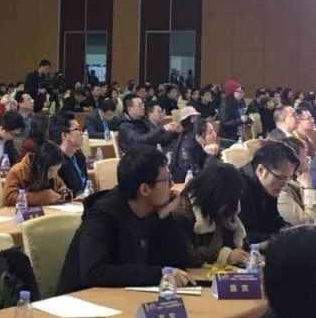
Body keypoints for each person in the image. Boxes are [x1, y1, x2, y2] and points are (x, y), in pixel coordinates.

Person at [57, 145, 191, 294]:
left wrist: (165, 217)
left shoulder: (151, 210)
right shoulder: (102, 216)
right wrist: (160, 274)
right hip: (83, 299)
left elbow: (179, 262)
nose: (172, 185)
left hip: (127, 296)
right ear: (145, 189)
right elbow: (94, 272)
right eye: (167, 179)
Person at [171, 160, 249, 267]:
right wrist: (224, 255)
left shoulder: (224, 208)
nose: (235, 203)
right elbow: (186, 255)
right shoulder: (182, 210)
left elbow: (241, 243)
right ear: (217, 194)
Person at [238, 141, 298, 246]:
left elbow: (274, 220)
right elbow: (245, 236)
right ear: (261, 170)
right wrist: (283, 238)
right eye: (281, 178)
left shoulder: (267, 185)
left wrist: (293, 232)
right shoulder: (239, 188)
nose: (284, 185)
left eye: (288, 178)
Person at [3, 140, 70, 206]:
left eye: (56, 170)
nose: (54, 174)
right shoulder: (18, 171)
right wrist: (44, 197)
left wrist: (63, 194)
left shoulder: (52, 173)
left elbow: (62, 188)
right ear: (39, 166)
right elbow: (9, 198)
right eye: (51, 170)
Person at [170, 112, 221, 183]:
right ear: (198, 137)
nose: (214, 135)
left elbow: (217, 169)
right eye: (210, 132)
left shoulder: (204, 145)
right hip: (184, 184)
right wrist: (210, 156)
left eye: (214, 131)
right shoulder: (186, 150)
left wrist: (216, 154)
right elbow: (200, 177)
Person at [48, 112, 89, 196]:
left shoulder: (79, 156)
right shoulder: (54, 163)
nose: (81, 132)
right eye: (77, 129)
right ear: (65, 136)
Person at [217, 80, 251, 146]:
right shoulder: (225, 105)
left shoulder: (238, 103)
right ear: (231, 93)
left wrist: (247, 121)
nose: (241, 94)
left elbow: (239, 117)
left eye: (241, 91)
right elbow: (224, 123)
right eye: (239, 91)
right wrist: (240, 120)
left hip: (237, 136)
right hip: (227, 138)